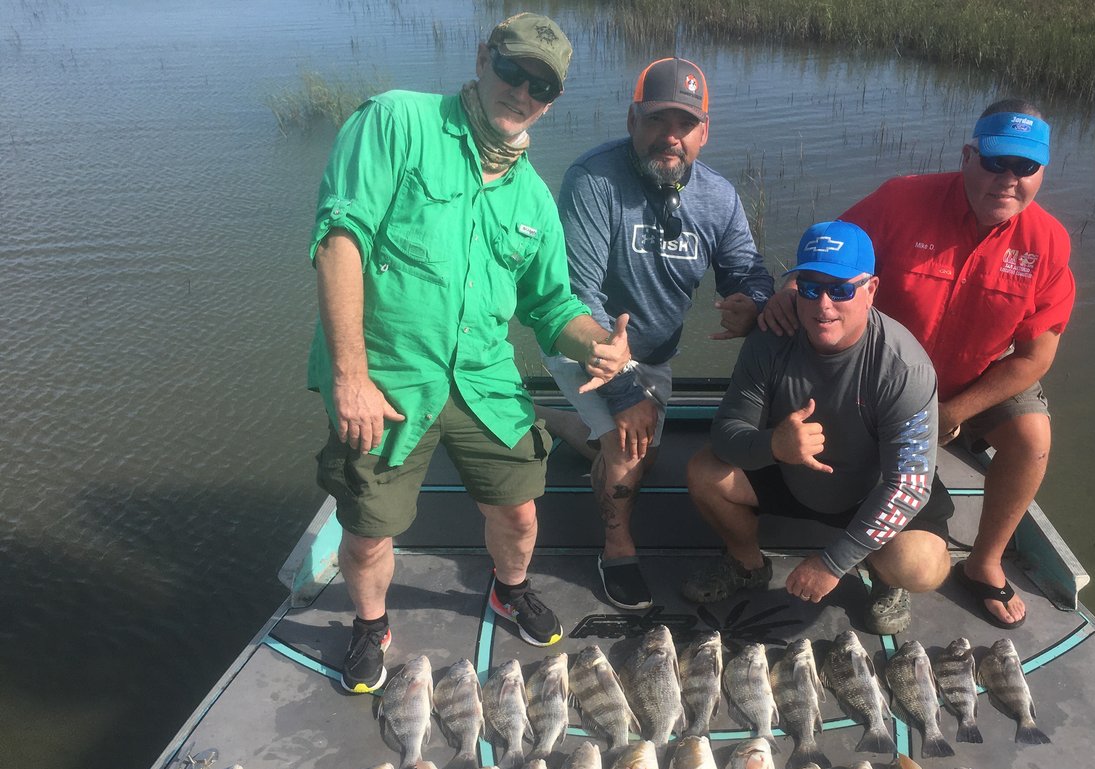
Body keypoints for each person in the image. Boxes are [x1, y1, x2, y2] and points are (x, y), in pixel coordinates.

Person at [307, 13, 631, 693]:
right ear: (484, 58)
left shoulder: (533, 197)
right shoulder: (396, 122)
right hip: (388, 377)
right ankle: (370, 625)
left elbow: (551, 309)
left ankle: (508, 589)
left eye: (541, 87)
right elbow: (341, 238)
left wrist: (599, 345)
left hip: (486, 378)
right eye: (512, 70)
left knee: (518, 511)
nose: (523, 92)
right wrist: (350, 375)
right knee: (368, 529)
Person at [761, 99, 1076, 629]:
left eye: (1026, 167)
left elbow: (1035, 356)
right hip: (881, 377)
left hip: (971, 381)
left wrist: (955, 410)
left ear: (1042, 171)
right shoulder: (902, 199)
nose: (1008, 179)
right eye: (996, 161)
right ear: (968, 155)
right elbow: (833, 258)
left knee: (1033, 437)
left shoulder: (1048, 243)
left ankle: (983, 562)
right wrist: (788, 289)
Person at [539, 56, 773, 611]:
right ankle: (616, 549)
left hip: (654, 356)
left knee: (628, 442)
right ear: (632, 120)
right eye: (657, 121)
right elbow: (575, 293)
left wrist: (753, 302)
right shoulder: (594, 179)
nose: (670, 137)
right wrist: (623, 389)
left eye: (685, 125)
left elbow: (747, 267)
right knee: (630, 444)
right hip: (584, 343)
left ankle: (545, 419)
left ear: (704, 131)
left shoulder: (717, 198)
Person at [682, 221, 952, 635]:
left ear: (871, 290)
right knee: (704, 472)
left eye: (841, 289)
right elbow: (725, 433)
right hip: (790, 474)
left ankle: (885, 578)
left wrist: (833, 563)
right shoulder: (771, 338)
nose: (823, 305)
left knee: (922, 565)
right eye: (810, 287)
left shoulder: (904, 367)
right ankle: (746, 563)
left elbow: (909, 486)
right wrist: (774, 444)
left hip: (871, 490)